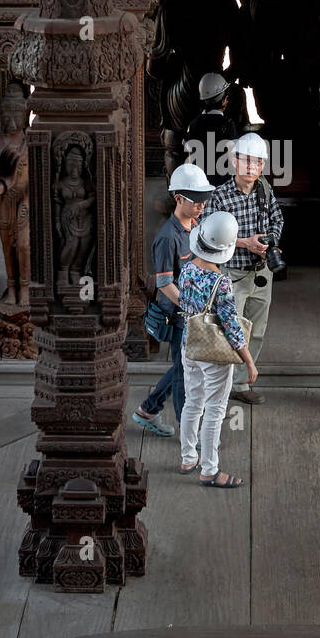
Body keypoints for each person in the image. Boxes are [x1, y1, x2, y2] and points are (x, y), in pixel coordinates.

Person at [132, 161, 214, 437]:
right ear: (179, 198)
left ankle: (148, 409)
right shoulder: (168, 238)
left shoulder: (195, 224)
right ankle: (189, 436)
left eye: (204, 200)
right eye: (196, 201)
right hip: (181, 317)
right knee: (185, 376)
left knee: (183, 366)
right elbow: (165, 283)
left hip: (193, 313)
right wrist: (193, 307)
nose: (202, 206)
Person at [177, 211, 257, 488]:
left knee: (192, 402)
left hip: (189, 345)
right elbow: (231, 326)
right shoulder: (221, 283)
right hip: (214, 354)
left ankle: (188, 458)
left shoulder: (187, 268)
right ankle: (210, 470)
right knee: (214, 410)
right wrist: (249, 361)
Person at [208, 132, 284, 406]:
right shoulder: (219, 197)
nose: (252, 167)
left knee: (256, 330)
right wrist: (243, 243)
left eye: (258, 162)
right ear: (234, 161)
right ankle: (219, 386)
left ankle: (240, 384)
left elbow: (277, 217)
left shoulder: (264, 189)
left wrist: (270, 241)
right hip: (232, 274)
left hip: (262, 274)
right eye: (246, 160)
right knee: (228, 331)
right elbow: (208, 235)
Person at [184, 72, 245, 186]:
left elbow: (189, 156)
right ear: (225, 100)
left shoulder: (193, 124)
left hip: (199, 185)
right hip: (223, 186)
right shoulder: (229, 124)